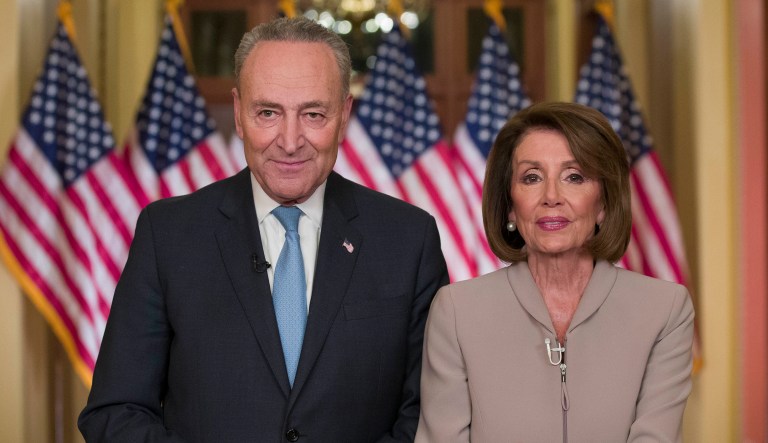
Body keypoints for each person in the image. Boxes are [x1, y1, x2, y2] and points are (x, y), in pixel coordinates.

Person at [79, 17, 449, 442]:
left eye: (313, 114)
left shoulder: (408, 240)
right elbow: (115, 411)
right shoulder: (168, 236)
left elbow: (427, 414)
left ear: (344, 116)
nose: (290, 141)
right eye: (268, 112)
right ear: (238, 114)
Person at [415, 102, 694, 442]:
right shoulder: (456, 312)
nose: (551, 197)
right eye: (532, 177)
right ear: (510, 206)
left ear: (603, 203)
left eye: (574, 177)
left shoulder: (664, 310)